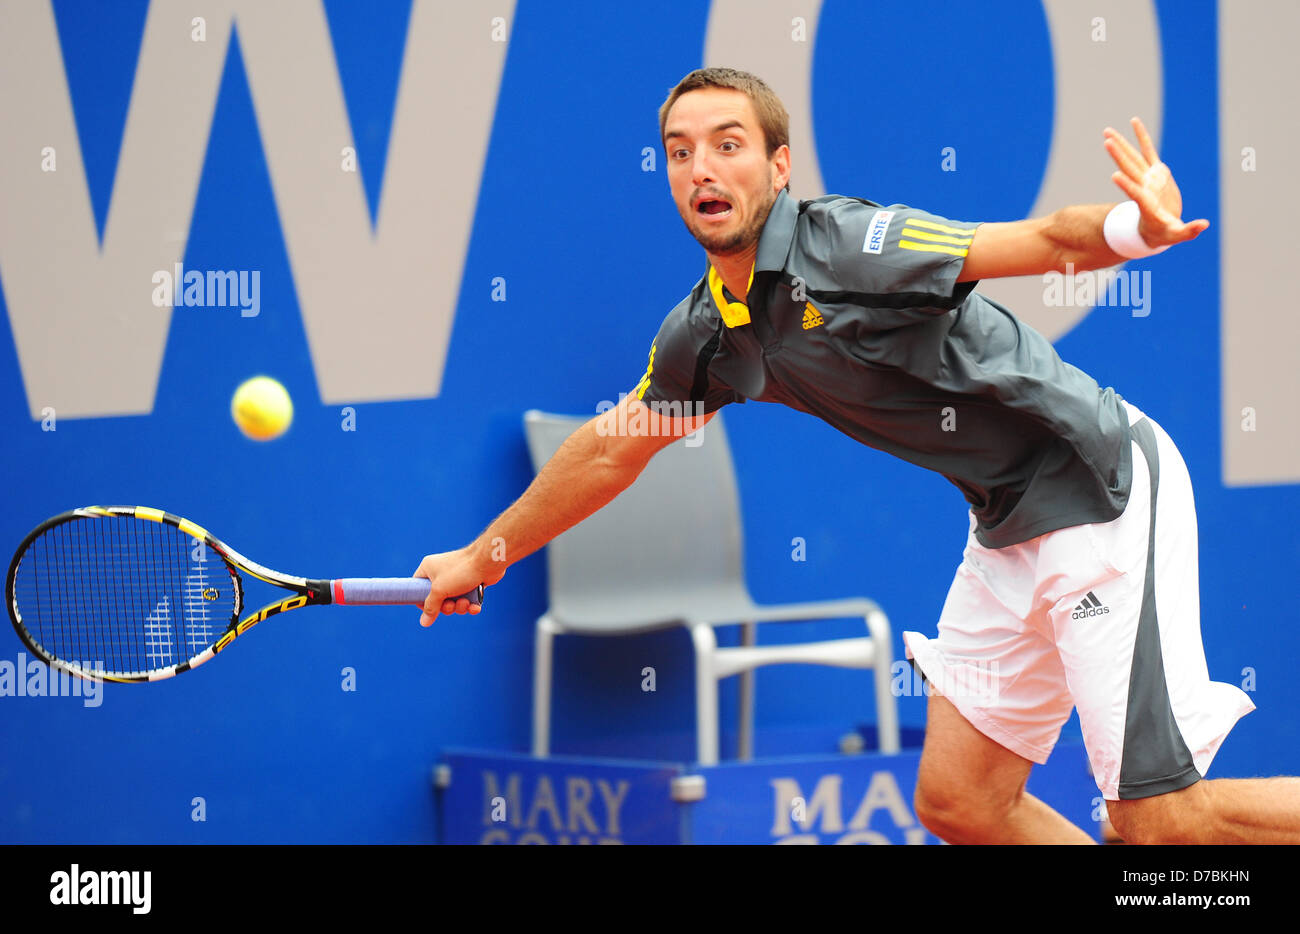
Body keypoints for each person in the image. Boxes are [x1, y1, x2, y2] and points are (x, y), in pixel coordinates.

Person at [415, 67, 1298, 844]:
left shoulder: (848, 248)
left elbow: (1038, 242)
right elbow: (614, 450)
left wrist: (1130, 229)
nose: (702, 169)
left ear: (780, 165)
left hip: (1096, 489)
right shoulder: (707, 337)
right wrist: (481, 555)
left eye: (728, 145)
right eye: (680, 153)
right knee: (962, 802)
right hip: (1005, 524)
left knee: (1158, 824)